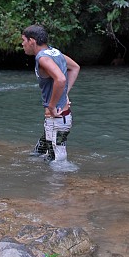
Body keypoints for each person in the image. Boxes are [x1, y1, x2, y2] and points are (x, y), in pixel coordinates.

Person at [22, 25, 80, 162]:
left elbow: (60, 79)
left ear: (32, 41)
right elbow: (75, 67)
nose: (22, 44)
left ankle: (64, 183)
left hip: (57, 118)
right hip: (60, 117)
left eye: (23, 40)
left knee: (57, 162)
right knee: (39, 154)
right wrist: (64, 93)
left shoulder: (42, 58)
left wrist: (52, 106)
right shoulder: (55, 52)